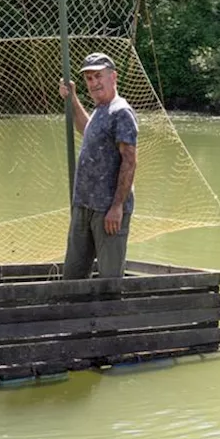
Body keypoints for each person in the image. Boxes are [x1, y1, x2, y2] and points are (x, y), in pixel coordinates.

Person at [59, 52, 138, 279]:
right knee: (73, 278)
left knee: (109, 280)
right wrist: (72, 98)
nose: (93, 83)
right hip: (84, 206)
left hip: (108, 212)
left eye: (98, 76)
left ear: (113, 77)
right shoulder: (100, 109)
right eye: (89, 78)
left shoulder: (120, 111)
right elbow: (87, 129)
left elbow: (130, 161)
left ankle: (109, 315)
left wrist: (117, 207)